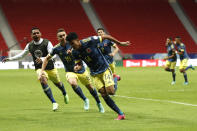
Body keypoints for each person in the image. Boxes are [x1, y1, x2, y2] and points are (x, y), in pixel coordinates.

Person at [66, 32, 130, 120]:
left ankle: (114, 78)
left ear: (77, 40)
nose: (71, 46)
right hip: (94, 74)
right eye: (70, 44)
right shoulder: (74, 52)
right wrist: (77, 66)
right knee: (103, 94)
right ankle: (120, 114)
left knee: (111, 92)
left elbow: (106, 36)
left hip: (104, 69)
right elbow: (79, 63)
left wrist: (119, 43)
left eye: (72, 43)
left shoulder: (89, 41)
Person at [2, 27, 68, 111]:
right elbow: (22, 55)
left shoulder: (47, 43)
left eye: (37, 33)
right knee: (42, 79)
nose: (36, 34)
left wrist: (43, 59)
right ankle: (54, 102)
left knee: (58, 83)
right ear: (31, 35)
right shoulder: (29, 45)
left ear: (40, 34)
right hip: (39, 68)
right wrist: (10, 59)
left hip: (51, 67)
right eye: (34, 33)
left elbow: (54, 55)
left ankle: (64, 93)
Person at [39, 28, 104, 112]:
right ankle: (85, 99)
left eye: (64, 35)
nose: (63, 37)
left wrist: (73, 51)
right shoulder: (56, 48)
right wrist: (42, 71)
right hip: (70, 71)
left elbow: (82, 50)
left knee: (90, 88)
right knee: (73, 83)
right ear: (57, 38)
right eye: (60, 36)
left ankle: (99, 103)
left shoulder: (73, 44)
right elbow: (46, 59)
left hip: (81, 69)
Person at [97, 28, 120, 92]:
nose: (100, 33)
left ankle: (115, 85)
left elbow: (117, 48)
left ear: (104, 33)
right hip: (102, 61)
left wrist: (113, 53)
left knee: (112, 75)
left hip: (110, 61)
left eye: (101, 32)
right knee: (104, 75)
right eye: (99, 32)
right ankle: (104, 88)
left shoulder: (108, 40)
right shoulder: (96, 41)